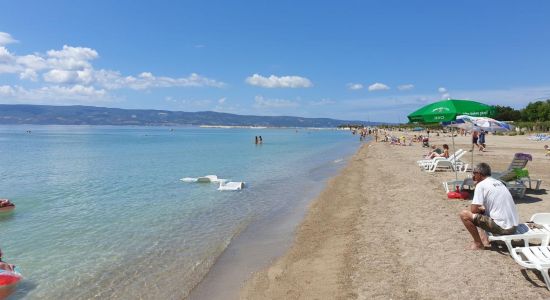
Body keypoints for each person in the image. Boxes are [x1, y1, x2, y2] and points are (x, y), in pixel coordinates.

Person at [459, 163, 519, 250]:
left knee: (464, 214)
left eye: (474, 173)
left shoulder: (481, 185)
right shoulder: (499, 182)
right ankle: (484, 239)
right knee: (483, 212)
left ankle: (478, 244)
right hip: (514, 226)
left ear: (479, 174)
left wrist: (480, 209)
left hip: (503, 228)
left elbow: (473, 210)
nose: (473, 176)